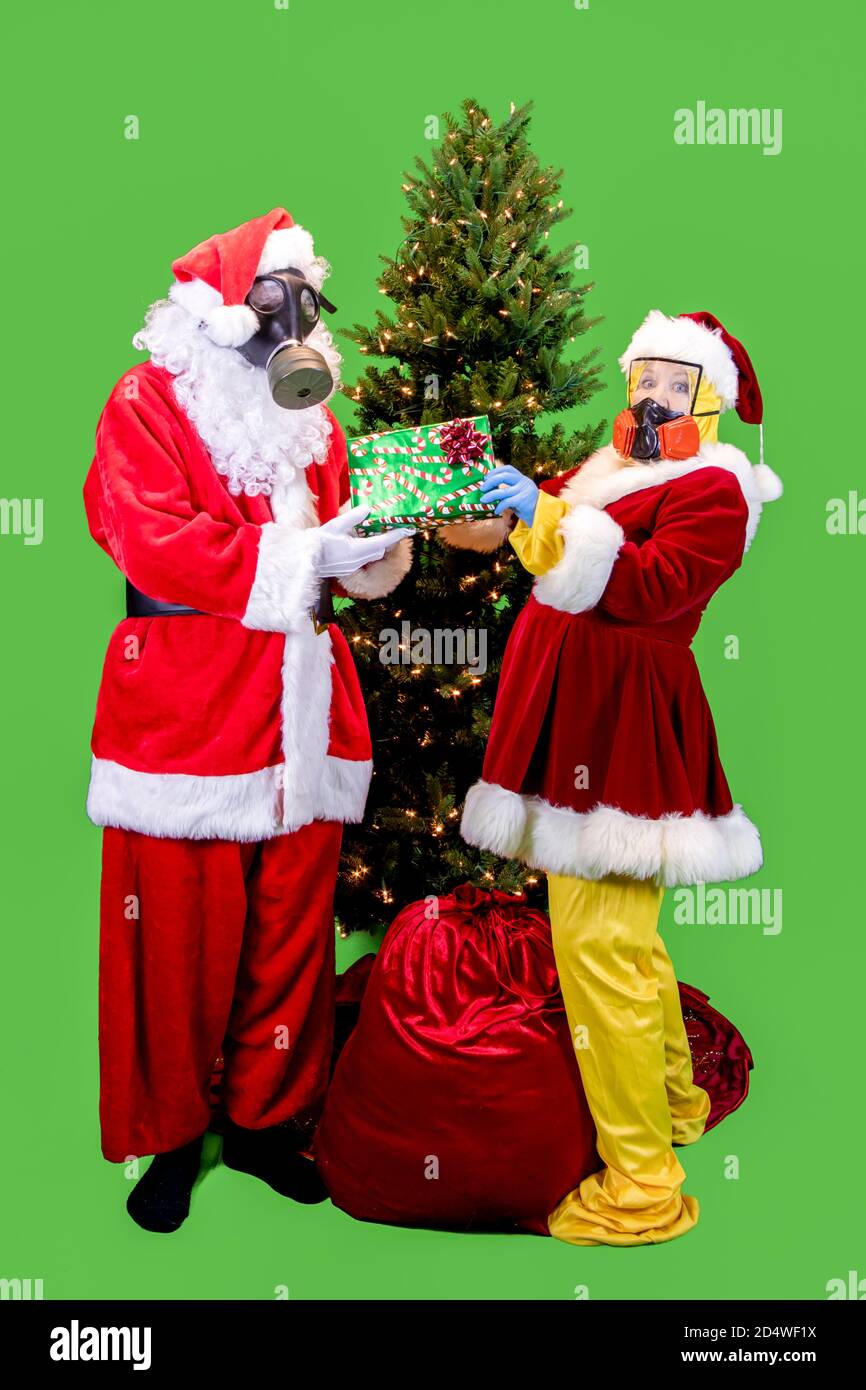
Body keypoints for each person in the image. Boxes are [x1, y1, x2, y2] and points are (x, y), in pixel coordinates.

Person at [84, 208, 413, 1232]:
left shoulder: (312, 422)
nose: (293, 320)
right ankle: (175, 1137)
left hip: (302, 711)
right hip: (184, 716)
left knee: (288, 938)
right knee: (173, 944)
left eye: (307, 301)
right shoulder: (147, 400)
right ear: (223, 308)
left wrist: (371, 555)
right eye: (274, 299)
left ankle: (267, 1122)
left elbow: (335, 552)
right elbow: (145, 538)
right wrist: (295, 564)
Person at [462, 309, 782, 1246]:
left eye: (672, 385)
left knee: (599, 949)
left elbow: (646, 587)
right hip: (569, 711)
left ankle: (642, 1186)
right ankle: (676, 1102)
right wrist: (504, 508)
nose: (649, 397)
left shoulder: (718, 488)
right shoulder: (614, 471)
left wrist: (545, 514)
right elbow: (543, 552)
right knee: (626, 943)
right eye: (642, 378)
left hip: (623, 723)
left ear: (708, 399)